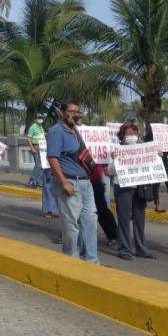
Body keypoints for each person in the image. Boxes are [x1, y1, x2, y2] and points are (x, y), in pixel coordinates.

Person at [46, 100, 99, 264]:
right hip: (69, 182)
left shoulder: (75, 130)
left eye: (77, 112)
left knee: (90, 221)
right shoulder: (56, 131)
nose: (75, 114)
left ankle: (91, 259)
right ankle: (72, 259)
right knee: (71, 224)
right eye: (71, 111)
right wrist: (64, 183)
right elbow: (53, 159)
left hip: (84, 182)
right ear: (62, 113)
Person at [109, 123, 158, 261]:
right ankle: (124, 249)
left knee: (139, 219)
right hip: (123, 186)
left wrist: (157, 156)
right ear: (122, 135)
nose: (133, 136)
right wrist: (114, 159)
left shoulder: (143, 148)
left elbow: (152, 165)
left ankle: (142, 249)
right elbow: (110, 171)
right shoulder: (116, 149)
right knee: (124, 219)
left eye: (135, 133)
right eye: (129, 134)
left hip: (140, 187)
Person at [26, 114, 46, 187]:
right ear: (35, 119)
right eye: (39, 118)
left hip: (42, 147)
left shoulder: (41, 127)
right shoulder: (32, 127)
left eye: (41, 118)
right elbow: (28, 138)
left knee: (42, 165)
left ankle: (39, 181)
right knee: (38, 165)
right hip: (36, 146)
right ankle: (31, 180)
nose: (40, 119)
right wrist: (32, 148)